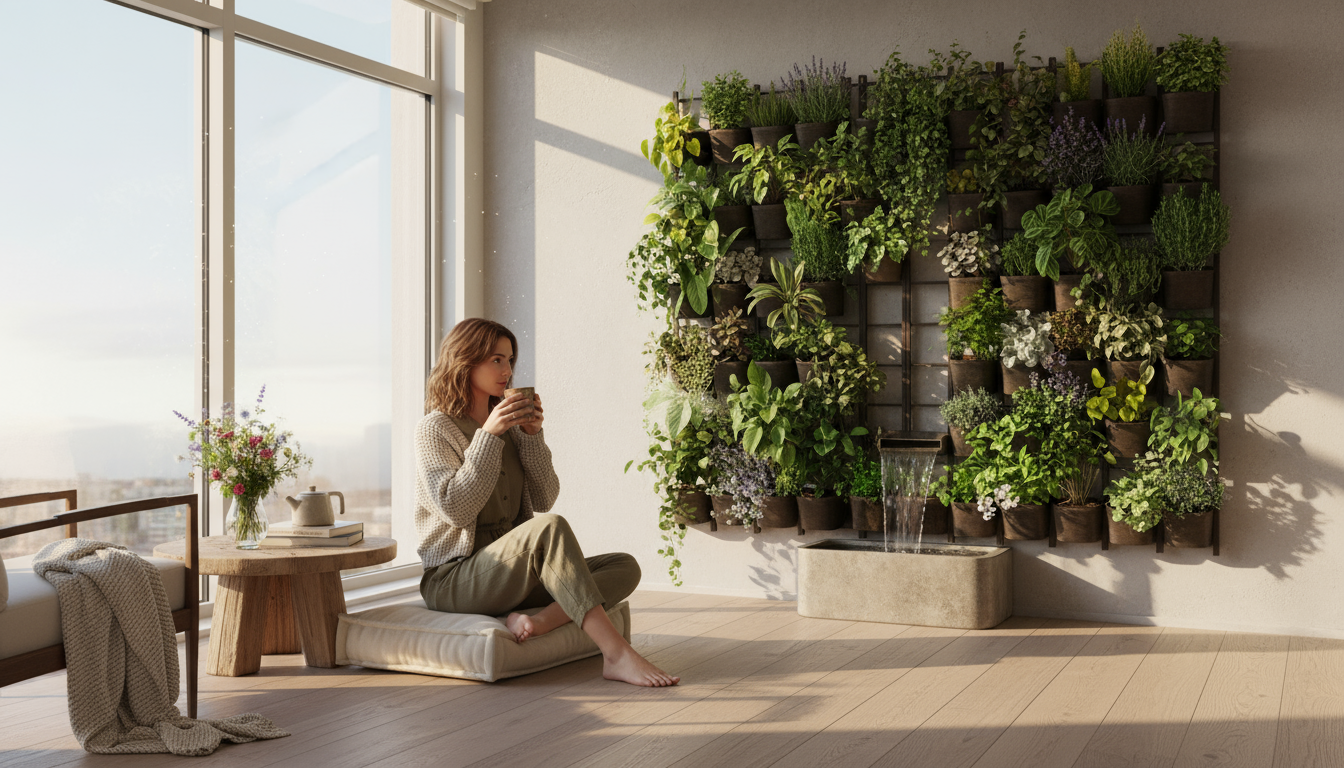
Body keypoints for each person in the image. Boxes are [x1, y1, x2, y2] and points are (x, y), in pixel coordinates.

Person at [414, 318, 679, 687]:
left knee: (624, 565)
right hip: (456, 577)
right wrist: (489, 435)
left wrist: (532, 436)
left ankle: (539, 622)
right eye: (496, 360)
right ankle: (615, 654)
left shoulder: (510, 424)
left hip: (513, 572)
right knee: (551, 527)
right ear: (465, 360)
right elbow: (457, 508)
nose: (507, 371)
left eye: (509, 360)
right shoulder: (435, 428)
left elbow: (543, 496)